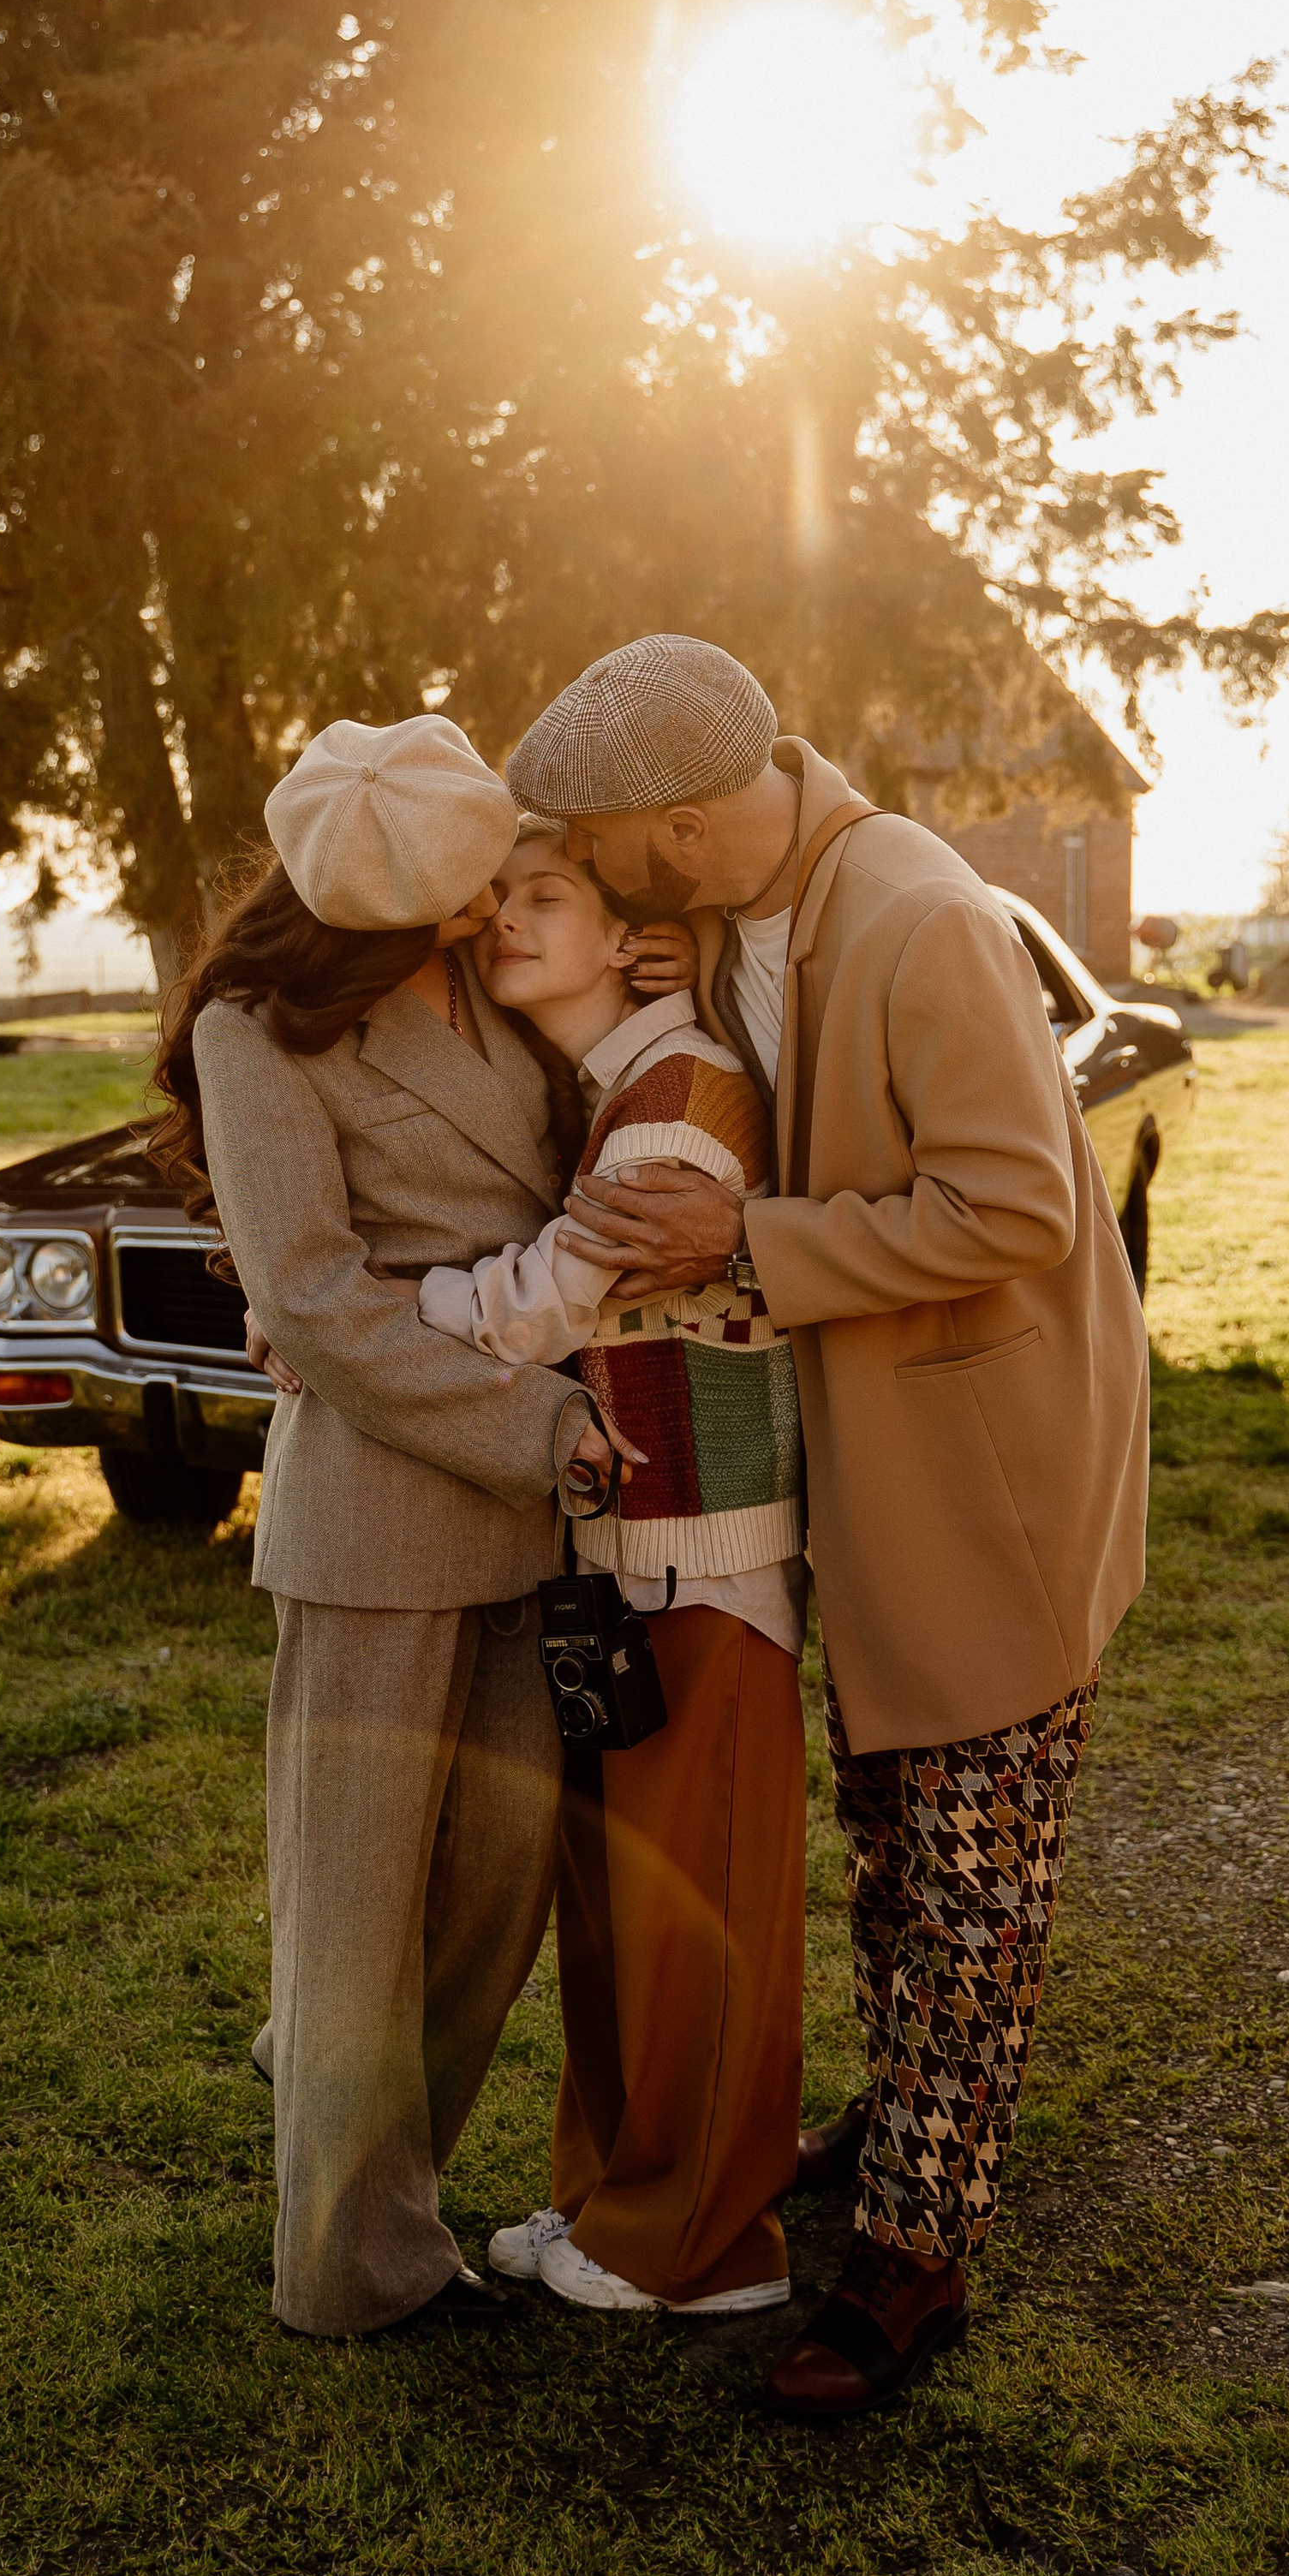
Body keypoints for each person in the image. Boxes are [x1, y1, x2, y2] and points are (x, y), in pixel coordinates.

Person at [504, 636, 1150, 2419]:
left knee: (967, 1877)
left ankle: (911, 2261)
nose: (593, 879)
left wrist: (749, 1245)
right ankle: (899, 2123)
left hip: (987, 1469)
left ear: (683, 827)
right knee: (886, 1838)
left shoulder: (922, 918)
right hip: (866, 1469)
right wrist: (669, 966)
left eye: (604, 851)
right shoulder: (741, 908)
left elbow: (1016, 1204)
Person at [149, 713, 626, 2340]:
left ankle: (345, 2109)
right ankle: (354, 2267)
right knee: (357, 1914)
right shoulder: (253, 1032)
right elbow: (314, 1301)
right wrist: (540, 1429)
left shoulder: (507, 975)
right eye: (470, 887)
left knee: (494, 1902)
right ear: (388, 907)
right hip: (382, 1514)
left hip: (534, 1528)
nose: (500, 899)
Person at [415, 822, 807, 2317]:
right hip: (629, 1566)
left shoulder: (679, 1101)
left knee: (700, 1918)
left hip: (711, 1565)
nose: (505, 920)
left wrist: (348, 1313)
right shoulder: (608, 1094)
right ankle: (607, 2201)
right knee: (620, 1916)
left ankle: (702, 2247)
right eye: (498, 899)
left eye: (546, 897)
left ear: (625, 928)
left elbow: (542, 1304)